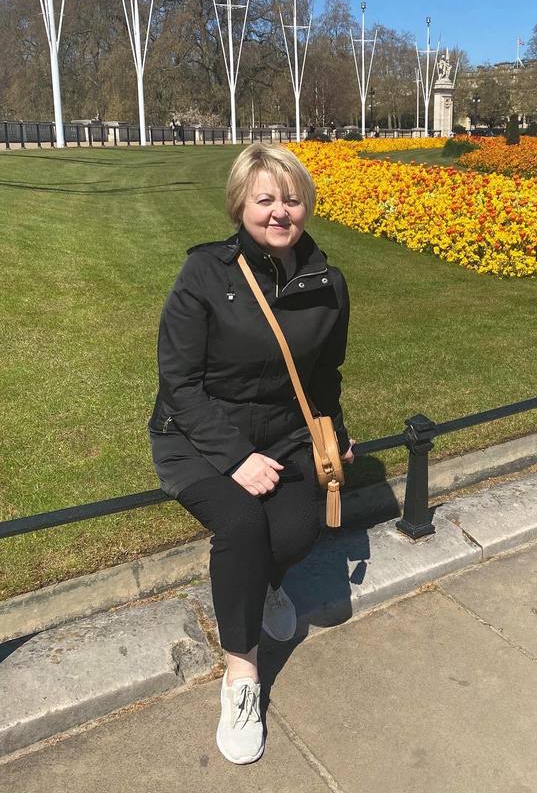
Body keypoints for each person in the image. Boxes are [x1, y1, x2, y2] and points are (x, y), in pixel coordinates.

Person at [148, 143, 355, 765]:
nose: (280, 212)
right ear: (240, 205)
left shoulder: (327, 284)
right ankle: (242, 674)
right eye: (265, 200)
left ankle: (261, 587)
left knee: (296, 528)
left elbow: (324, 378)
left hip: (285, 435)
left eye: (292, 199)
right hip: (199, 436)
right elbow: (179, 383)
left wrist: (333, 432)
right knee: (242, 525)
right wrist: (236, 457)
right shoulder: (205, 274)